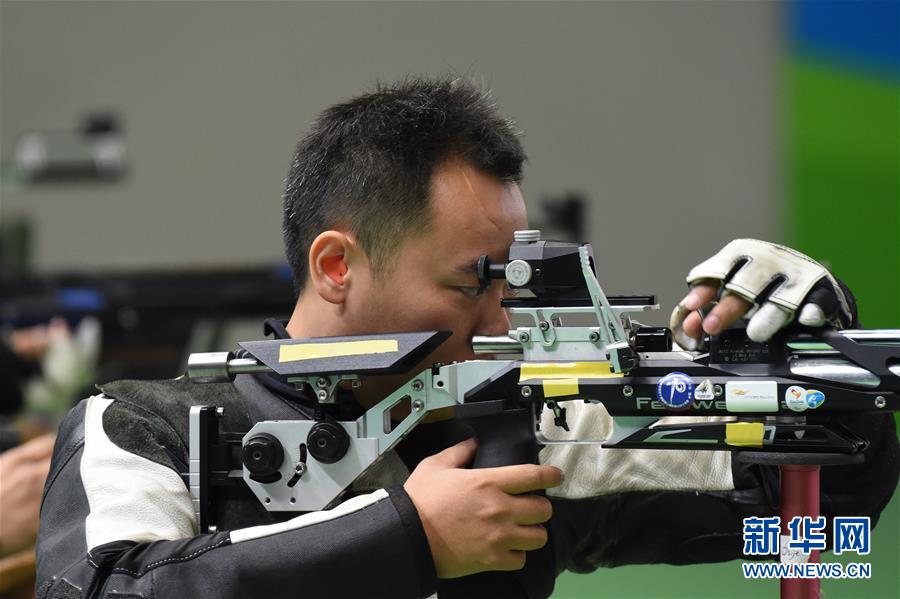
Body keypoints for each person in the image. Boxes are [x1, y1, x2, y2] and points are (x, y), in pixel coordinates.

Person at [36, 78, 898, 599]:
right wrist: (409, 535)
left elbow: (820, 526)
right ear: (336, 264)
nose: (502, 323)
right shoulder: (141, 425)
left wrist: (812, 359)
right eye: (469, 283)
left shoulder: (529, 432)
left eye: (512, 285)